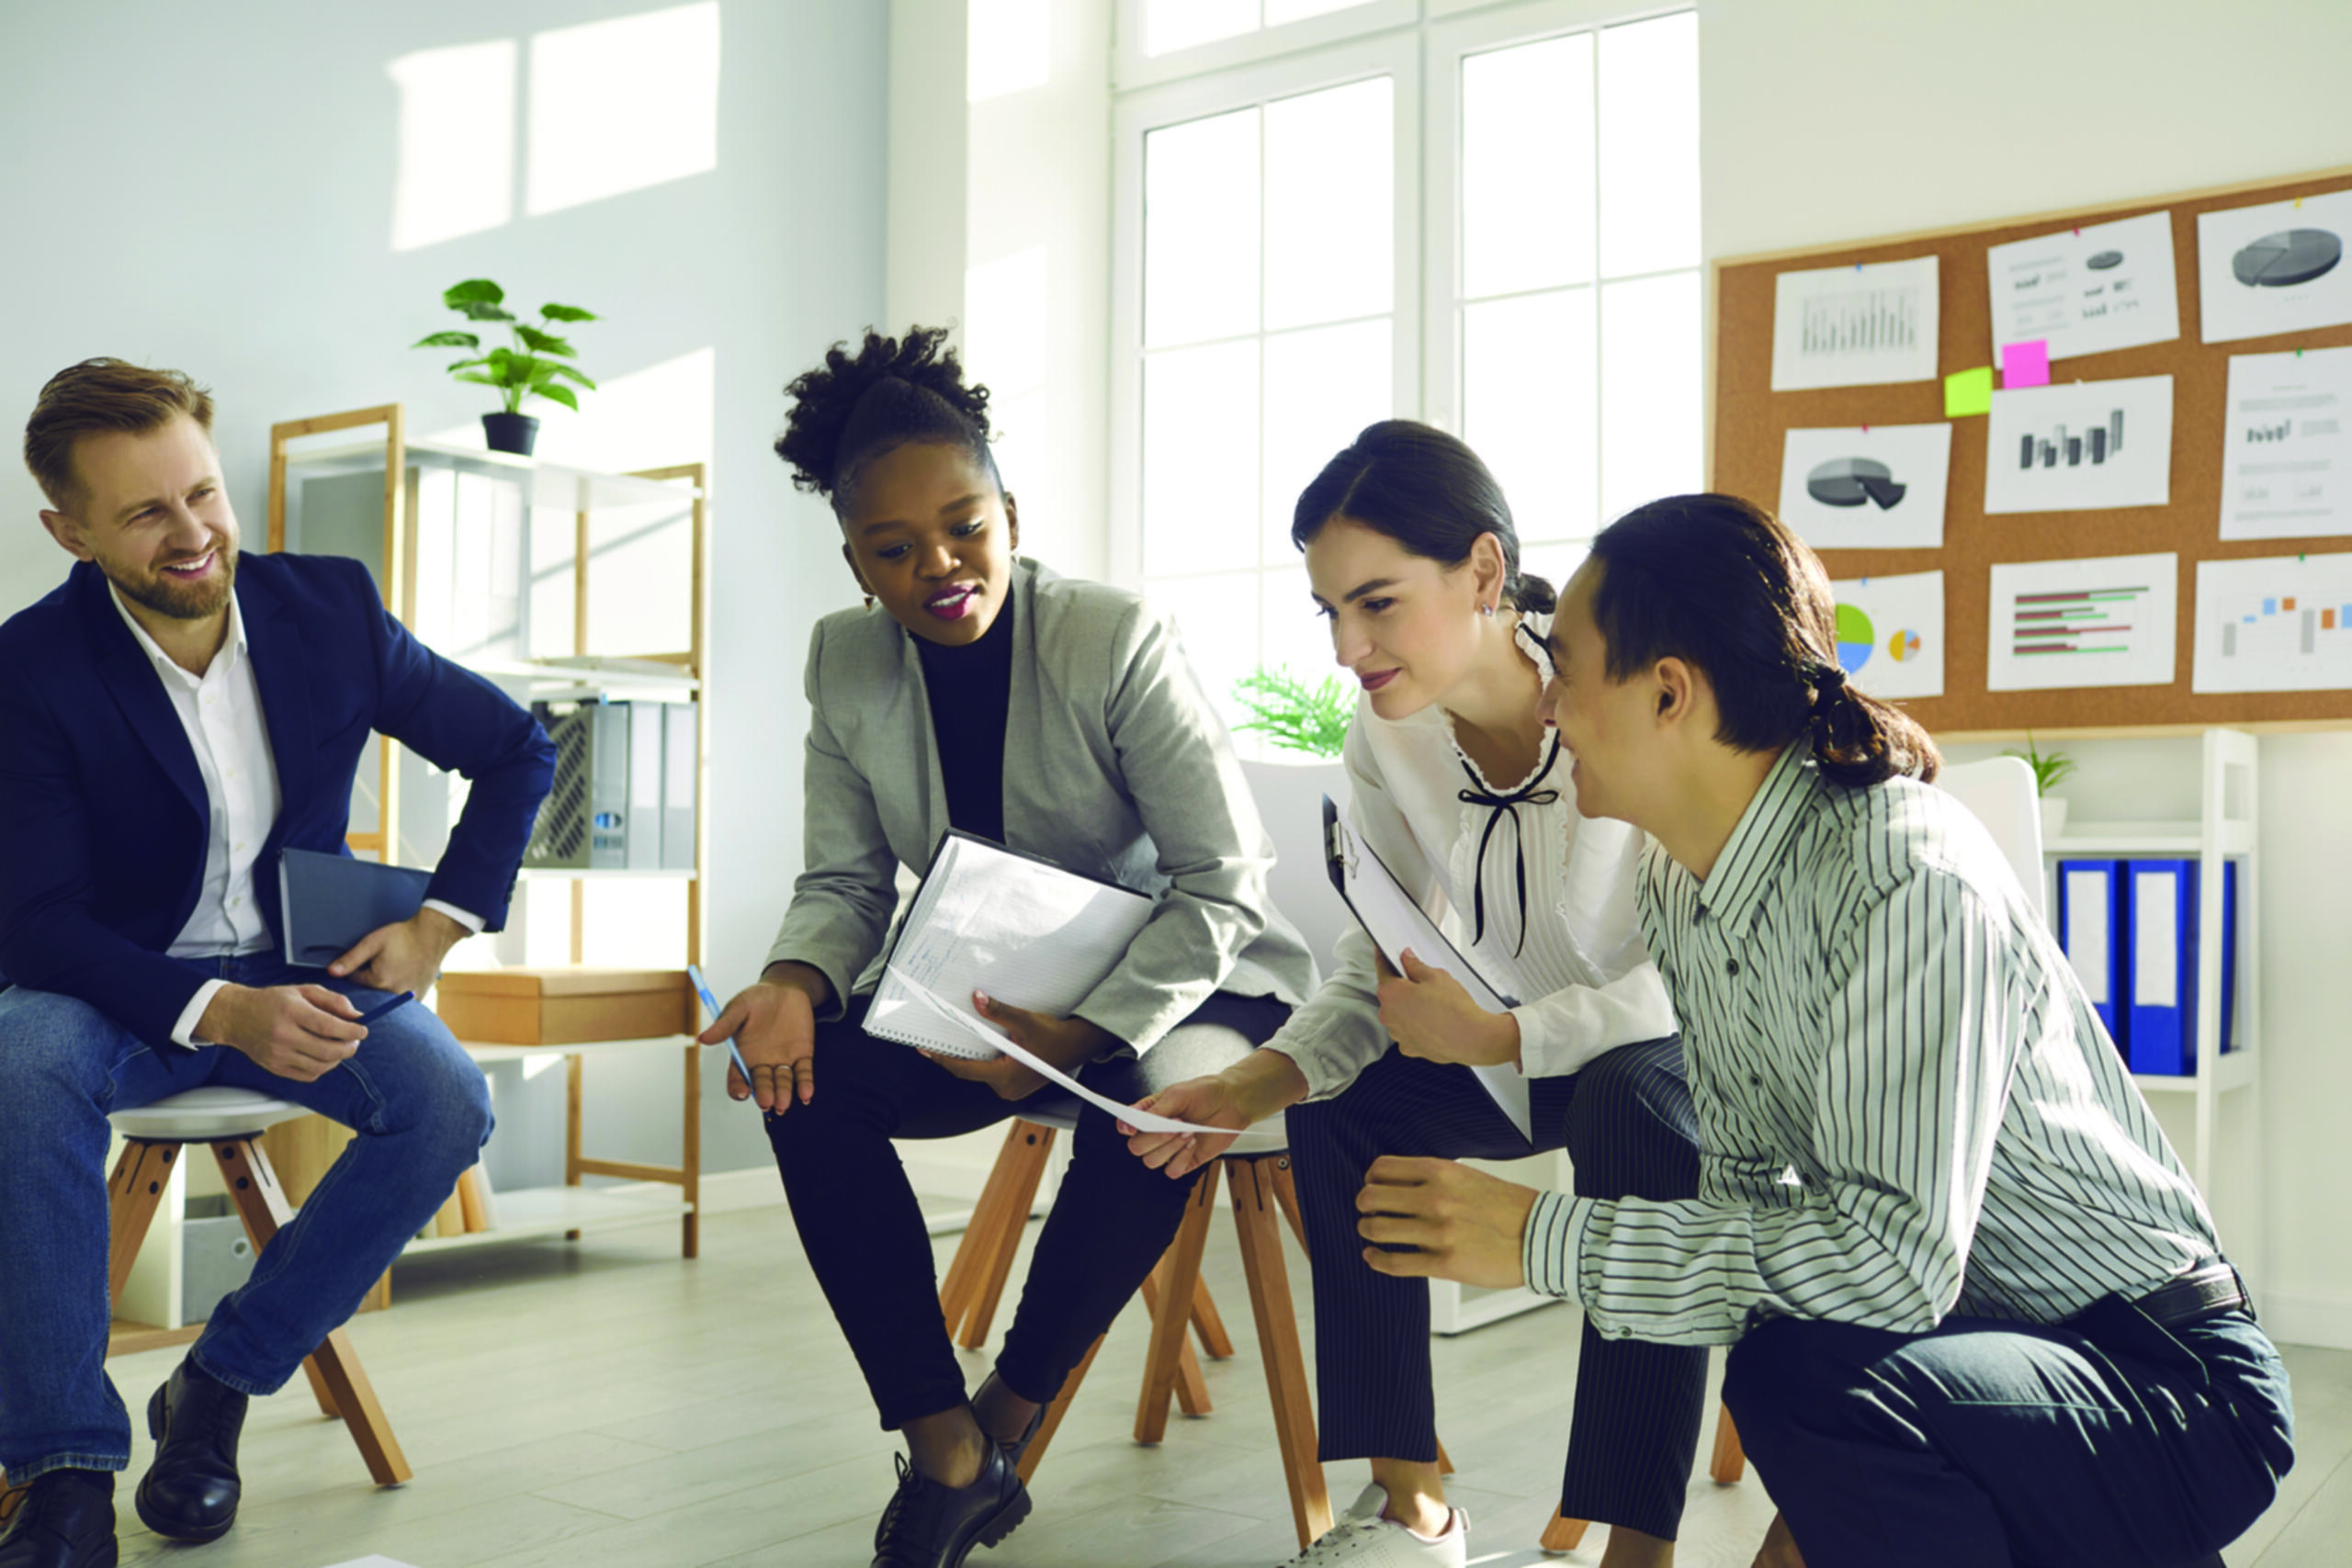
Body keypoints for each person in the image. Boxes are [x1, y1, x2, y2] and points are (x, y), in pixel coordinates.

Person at [1355, 491, 2295, 1568]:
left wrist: (1541, 1239)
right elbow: (1768, 1224)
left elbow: (1890, 1269)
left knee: (1806, 1383)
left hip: (2163, 1378)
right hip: (1986, 1355)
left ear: (1669, 693)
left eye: (1564, 669)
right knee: (1789, 1367)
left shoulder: (1902, 875)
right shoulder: (1680, 882)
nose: (1550, 710)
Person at [700, 327, 1316, 1568]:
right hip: (985, 994)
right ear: (857, 563)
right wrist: (787, 984)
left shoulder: (1110, 634)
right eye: (894, 547)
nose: (938, 564)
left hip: (1183, 970)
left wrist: (1081, 1032)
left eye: (964, 525)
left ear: (1010, 514)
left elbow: (1226, 878)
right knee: (798, 1078)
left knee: (1156, 1100)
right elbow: (841, 879)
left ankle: (1012, 1410)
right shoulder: (847, 656)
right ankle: (946, 1447)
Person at [0, 359, 556, 1566]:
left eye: (203, 491)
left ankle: (218, 1379)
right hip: (111, 982)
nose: (194, 533)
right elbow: (35, 921)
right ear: (71, 530)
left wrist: (440, 921)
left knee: (444, 1098)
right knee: (20, 1057)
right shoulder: (29, 665)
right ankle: (63, 1468)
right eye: (146, 512)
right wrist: (220, 1010)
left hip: (303, 961)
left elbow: (517, 748)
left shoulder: (330, 608)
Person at [1127, 422, 1705, 1568]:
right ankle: (1412, 1505)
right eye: (1330, 611)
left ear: (1483, 573)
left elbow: (1695, 977)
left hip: (1673, 1057)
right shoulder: (1383, 737)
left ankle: (1638, 1541)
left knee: (1628, 1111)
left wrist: (1504, 1029)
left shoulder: (1623, 690)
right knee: (1348, 1113)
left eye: (1378, 603)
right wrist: (1258, 1078)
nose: (1348, 645)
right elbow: (1381, 947)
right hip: (1514, 1054)